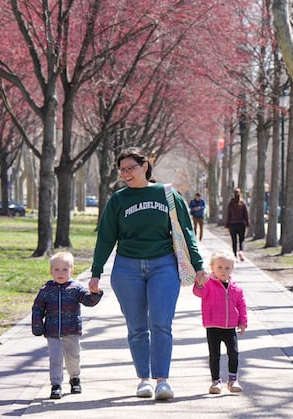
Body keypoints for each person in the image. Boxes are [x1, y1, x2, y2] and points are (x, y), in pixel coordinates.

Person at [89, 147, 208, 401]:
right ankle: (144, 379)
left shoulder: (167, 194)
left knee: (161, 323)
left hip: (163, 265)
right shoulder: (118, 200)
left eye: (130, 168)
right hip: (126, 268)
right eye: (122, 170)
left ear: (145, 166)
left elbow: (186, 232)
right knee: (137, 327)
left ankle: (162, 381)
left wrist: (198, 266)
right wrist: (96, 272)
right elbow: (106, 237)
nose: (126, 174)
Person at [32, 251, 104, 400]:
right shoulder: (46, 290)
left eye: (65, 269)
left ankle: (75, 378)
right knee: (55, 358)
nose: (60, 273)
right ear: (51, 271)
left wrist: (95, 294)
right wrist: (37, 325)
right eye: (56, 269)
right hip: (52, 332)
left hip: (72, 331)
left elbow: (88, 301)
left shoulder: (76, 288)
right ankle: (56, 384)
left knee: (73, 358)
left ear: (72, 271)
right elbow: (37, 309)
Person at [193, 250, 248, 394]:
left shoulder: (236, 288)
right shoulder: (208, 284)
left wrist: (242, 322)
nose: (223, 270)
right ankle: (216, 382)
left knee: (234, 353)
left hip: (230, 327)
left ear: (232, 269)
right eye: (220, 267)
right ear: (212, 267)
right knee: (214, 355)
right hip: (213, 326)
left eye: (227, 268)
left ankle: (233, 379)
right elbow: (198, 293)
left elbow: (241, 306)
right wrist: (199, 284)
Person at [225, 188, 250, 261]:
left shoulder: (231, 203)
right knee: (242, 240)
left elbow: (228, 215)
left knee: (234, 240)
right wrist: (247, 224)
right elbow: (246, 214)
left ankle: (235, 255)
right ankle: (241, 251)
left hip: (232, 224)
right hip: (241, 224)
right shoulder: (243, 203)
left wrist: (227, 225)